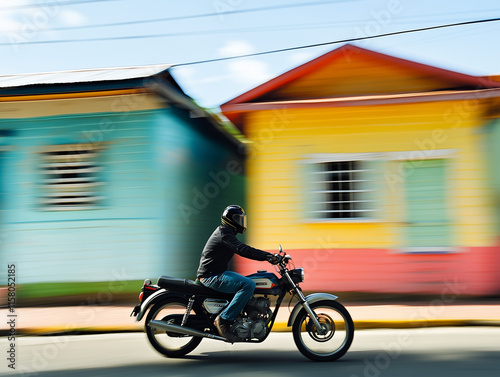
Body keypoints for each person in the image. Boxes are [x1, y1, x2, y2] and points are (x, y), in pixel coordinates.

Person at [196, 204, 280, 342]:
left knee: (248, 281)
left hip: (216, 273)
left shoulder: (226, 232)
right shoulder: (224, 233)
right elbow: (242, 249)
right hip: (211, 276)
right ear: (230, 219)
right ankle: (223, 320)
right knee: (248, 285)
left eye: (242, 219)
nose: (241, 222)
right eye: (238, 219)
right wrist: (267, 256)